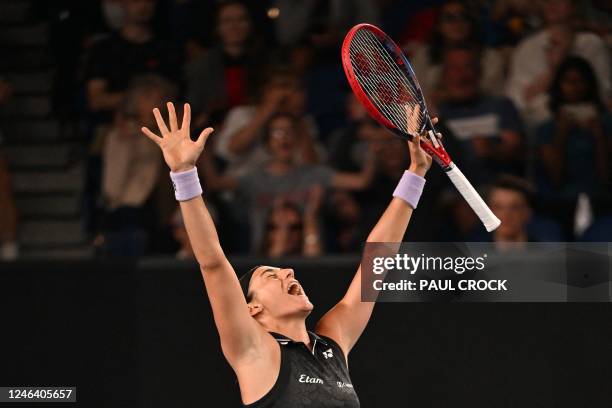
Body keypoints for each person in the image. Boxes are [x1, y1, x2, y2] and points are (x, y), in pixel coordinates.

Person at [141, 102, 433, 407]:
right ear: (251, 309)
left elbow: (378, 259)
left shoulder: (332, 343)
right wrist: (184, 173)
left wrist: (417, 172)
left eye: (281, 271)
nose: (289, 272)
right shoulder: (253, 351)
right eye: (271, 275)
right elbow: (213, 263)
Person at [534, 56, 611, 238]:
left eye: (580, 81)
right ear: (559, 85)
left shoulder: (606, 124)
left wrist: (599, 137)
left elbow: (607, 178)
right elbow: (555, 178)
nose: (575, 87)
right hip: (561, 202)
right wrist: (561, 135)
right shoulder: (546, 129)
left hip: (601, 199)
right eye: (569, 81)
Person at [505, 0, 611, 126]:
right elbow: (518, 100)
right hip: (540, 123)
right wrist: (554, 68)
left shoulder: (592, 44)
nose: (552, 3)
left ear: (574, 7)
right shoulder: (526, 48)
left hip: (587, 122)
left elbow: (604, 94)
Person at [438, 45, 525, 184]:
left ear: (479, 72)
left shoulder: (501, 106)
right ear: (444, 75)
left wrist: (492, 150)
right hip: (454, 193)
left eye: (467, 67)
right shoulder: (437, 114)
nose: (461, 76)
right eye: (454, 68)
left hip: (499, 188)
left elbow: (517, 150)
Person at [409, 0, 506, 104]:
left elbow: (494, 92)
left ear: (471, 23)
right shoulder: (423, 56)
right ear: (438, 25)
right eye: (449, 18)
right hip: (434, 112)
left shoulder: (490, 56)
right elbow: (414, 94)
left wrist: (453, 94)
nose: (457, 23)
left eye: (463, 17)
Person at [186, 0, 262, 127]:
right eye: (227, 21)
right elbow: (194, 106)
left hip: (255, 127)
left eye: (241, 19)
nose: (235, 26)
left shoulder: (265, 62)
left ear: (250, 25)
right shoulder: (201, 65)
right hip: (213, 129)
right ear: (218, 27)